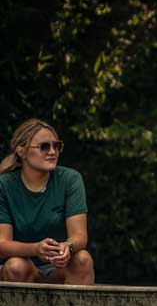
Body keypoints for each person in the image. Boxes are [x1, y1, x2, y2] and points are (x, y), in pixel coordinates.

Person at [0, 119, 94, 285]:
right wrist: (35, 249)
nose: (53, 152)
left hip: (58, 267)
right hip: (22, 267)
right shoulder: (4, 185)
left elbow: (80, 235)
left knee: (82, 259)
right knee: (16, 266)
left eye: (56, 146)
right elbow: (2, 245)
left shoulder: (70, 179)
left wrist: (68, 246)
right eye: (44, 146)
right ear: (21, 151)